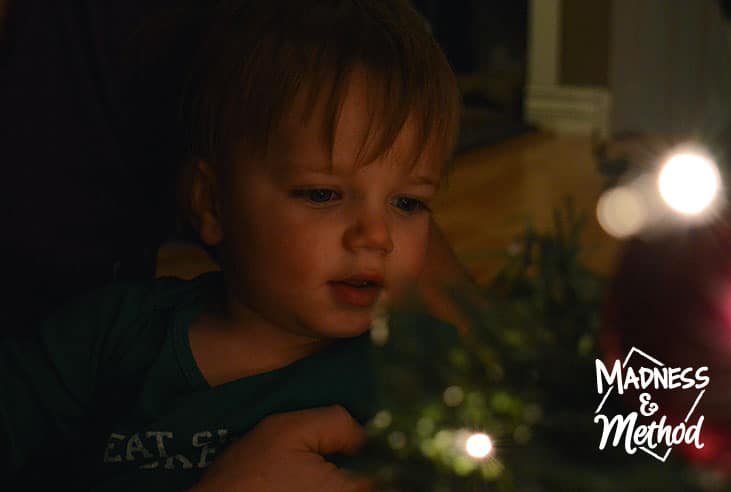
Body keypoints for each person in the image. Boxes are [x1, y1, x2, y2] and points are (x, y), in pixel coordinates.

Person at [0, 1, 466, 490]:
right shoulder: (105, 338)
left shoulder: (426, 374)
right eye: (323, 194)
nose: (378, 236)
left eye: (409, 203)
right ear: (213, 204)